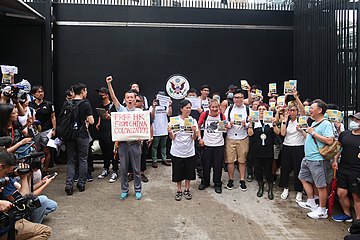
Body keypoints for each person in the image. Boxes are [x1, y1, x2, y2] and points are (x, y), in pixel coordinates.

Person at [0, 151, 52, 239]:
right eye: (6, 172)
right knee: (45, 231)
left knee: (50, 204)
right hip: (4, 226)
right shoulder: (2, 179)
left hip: (9, 218)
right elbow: (24, 197)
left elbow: (26, 194)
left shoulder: (6, 179)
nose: (7, 176)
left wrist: (25, 176)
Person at [106, 76, 142, 200]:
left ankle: (138, 190)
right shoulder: (121, 110)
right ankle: (124, 190)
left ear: (135, 99)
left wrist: (141, 137)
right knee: (123, 169)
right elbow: (113, 98)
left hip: (135, 144)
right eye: (128, 97)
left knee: (137, 169)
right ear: (125, 100)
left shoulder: (139, 112)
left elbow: (143, 128)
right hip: (123, 145)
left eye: (132, 97)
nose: (130, 99)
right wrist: (109, 84)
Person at [297, 99, 334, 219]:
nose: (310, 110)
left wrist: (313, 133)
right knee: (302, 178)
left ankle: (322, 210)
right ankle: (311, 202)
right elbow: (309, 137)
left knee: (320, 185)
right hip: (308, 158)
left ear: (320, 110)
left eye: (312, 108)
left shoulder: (326, 124)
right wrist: (302, 131)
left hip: (318, 159)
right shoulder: (314, 123)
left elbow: (329, 140)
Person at [64, 83, 94, 195]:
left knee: (71, 160)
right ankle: (81, 184)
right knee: (83, 159)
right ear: (82, 92)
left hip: (70, 135)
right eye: (85, 91)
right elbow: (91, 121)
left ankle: (69, 185)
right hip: (82, 135)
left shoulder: (67, 103)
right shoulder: (85, 103)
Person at [331, 112, 360, 222]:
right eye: (353, 119)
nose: (354, 122)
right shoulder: (344, 134)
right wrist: (335, 160)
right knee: (341, 193)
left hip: (357, 171)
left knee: (356, 197)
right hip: (343, 168)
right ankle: (347, 214)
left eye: (357, 120)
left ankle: (358, 221)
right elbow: (339, 148)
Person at [248, 103, 280, 200]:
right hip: (256, 150)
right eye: (260, 109)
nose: (261, 111)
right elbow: (250, 134)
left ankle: (270, 188)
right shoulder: (254, 121)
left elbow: (278, 132)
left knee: (268, 170)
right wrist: (250, 123)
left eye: (264, 109)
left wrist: (274, 123)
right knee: (257, 170)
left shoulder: (270, 121)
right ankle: (260, 186)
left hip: (268, 150)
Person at [168, 99, 198, 201]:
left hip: (189, 151)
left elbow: (194, 138)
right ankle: (179, 190)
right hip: (177, 151)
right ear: (181, 109)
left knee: (189, 172)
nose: (189, 110)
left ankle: (187, 189)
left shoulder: (193, 120)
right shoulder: (175, 120)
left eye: (190, 108)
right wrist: (170, 132)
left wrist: (194, 132)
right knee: (178, 172)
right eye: (187, 108)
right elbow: (173, 137)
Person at [197, 99, 225, 194]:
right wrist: (200, 138)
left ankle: (217, 184)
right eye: (213, 107)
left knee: (218, 166)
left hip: (219, 144)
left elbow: (224, 129)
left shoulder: (221, 115)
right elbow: (198, 125)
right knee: (206, 165)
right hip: (207, 144)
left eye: (216, 107)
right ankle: (205, 182)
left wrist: (228, 125)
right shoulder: (205, 115)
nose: (215, 109)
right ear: (209, 108)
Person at [279, 105, 306, 202]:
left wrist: (295, 96)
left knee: (298, 169)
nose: (291, 112)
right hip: (287, 146)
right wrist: (284, 121)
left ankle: (299, 190)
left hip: (298, 147)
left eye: (293, 110)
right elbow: (282, 133)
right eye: (289, 110)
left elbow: (303, 110)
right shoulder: (287, 121)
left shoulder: (301, 120)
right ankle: (285, 188)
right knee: (285, 168)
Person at [224, 89, 250, 191]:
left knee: (242, 160)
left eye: (240, 97)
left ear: (243, 99)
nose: (237, 99)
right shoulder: (229, 109)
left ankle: (242, 180)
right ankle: (231, 179)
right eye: (236, 98)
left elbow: (252, 121)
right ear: (233, 98)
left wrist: (246, 124)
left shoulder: (248, 109)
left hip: (243, 137)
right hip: (230, 137)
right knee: (230, 161)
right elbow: (224, 120)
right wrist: (228, 124)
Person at [29, 86, 56, 176]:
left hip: (46, 130)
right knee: (35, 151)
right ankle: (36, 169)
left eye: (42, 92)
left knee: (46, 150)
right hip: (35, 131)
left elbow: (53, 117)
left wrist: (54, 129)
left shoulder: (48, 104)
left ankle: (45, 169)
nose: (41, 93)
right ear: (34, 94)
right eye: (38, 92)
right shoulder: (30, 104)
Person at [95, 87, 119, 183]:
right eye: (99, 92)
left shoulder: (113, 105)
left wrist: (110, 118)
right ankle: (105, 169)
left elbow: (118, 118)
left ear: (107, 94)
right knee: (104, 152)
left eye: (102, 93)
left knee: (113, 152)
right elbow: (101, 115)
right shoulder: (100, 105)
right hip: (102, 132)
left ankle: (115, 170)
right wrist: (98, 123)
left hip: (111, 132)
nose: (100, 94)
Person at [150, 93, 172, 168]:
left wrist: (169, 105)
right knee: (154, 146)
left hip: (164, 129)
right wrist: (153, 107)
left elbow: (169, 114)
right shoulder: (152, 107)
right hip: (156, 130)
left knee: (164, 146)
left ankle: (164, 159)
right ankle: (154, 160)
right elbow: (151, 116)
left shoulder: (165, 106)